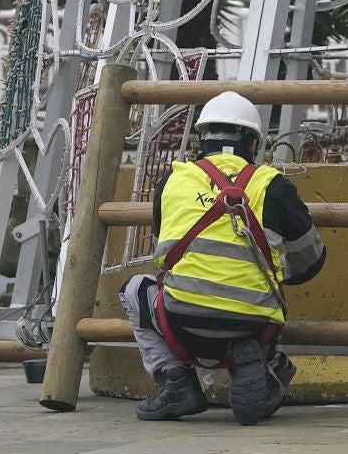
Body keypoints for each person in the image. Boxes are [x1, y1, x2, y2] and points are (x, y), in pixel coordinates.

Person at [120, 92, 326, 425]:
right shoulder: (273, 185)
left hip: (182, 323)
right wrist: (275, 274)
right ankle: (266, 361)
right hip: (255, 323)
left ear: (202, 139)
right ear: (254, 143)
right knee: (267, 294)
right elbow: (312, 258)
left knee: (133, 289)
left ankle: (177, 383)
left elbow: (164, 255)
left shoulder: (171, 181)